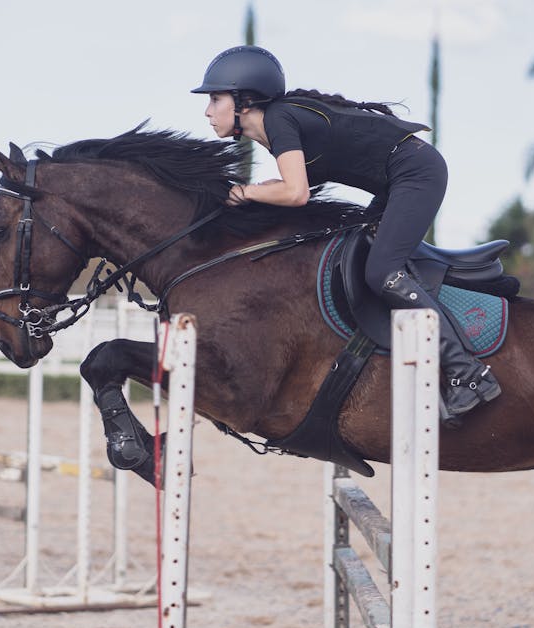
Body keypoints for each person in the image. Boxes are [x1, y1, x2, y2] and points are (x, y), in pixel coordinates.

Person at [192, 45, 500, 421]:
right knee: (355, 253)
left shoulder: (279, 120)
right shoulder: (278, 128)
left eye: (215, 99)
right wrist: (255, 193)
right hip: (397, 180)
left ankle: (468, 373)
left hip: (416, 172)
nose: (207, 111)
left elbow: (296, 193)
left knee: (382, 271)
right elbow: (292, 188)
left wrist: (247, 192)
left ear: (245, 100)